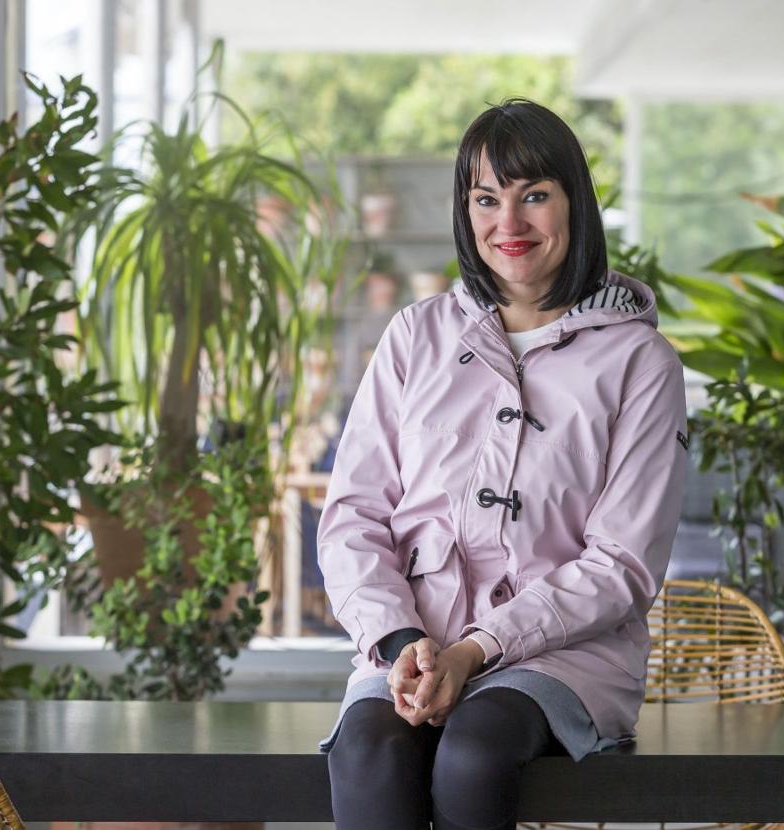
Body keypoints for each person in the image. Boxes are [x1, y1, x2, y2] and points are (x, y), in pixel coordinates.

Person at [315, 97, 690, 830]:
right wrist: (402, 642)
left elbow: (622, 564)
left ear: (575, 203)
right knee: (370, 751)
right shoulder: (414, 336)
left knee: (474, 752)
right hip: (411, 645)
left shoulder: (640, 361)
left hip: (561, 657)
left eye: (535, 196)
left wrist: (479, 649)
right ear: (466, 211)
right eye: (487, 198)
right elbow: (353, 517)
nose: (509, 224)